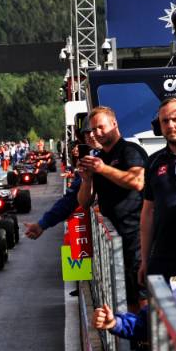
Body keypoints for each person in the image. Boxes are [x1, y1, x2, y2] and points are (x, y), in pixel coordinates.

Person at [76, 106, 148, 308]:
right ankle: (136, 337)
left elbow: (137, 181)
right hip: (114, 240)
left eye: (101, 127)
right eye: (94, 129)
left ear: (114, 124)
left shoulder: (130, 151)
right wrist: (87, 179)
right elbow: (84, 202)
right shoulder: (101, 157)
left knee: (143, 293)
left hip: (137, 235)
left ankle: (149, 336)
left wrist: (103, 169)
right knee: (126, 296)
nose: (98, 133)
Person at [139, 98, 176, 286]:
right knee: (159, 314)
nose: (170, 125)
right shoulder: (153, 162)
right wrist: (145, 260)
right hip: (164, 255)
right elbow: (148, 212)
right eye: (165, 121)